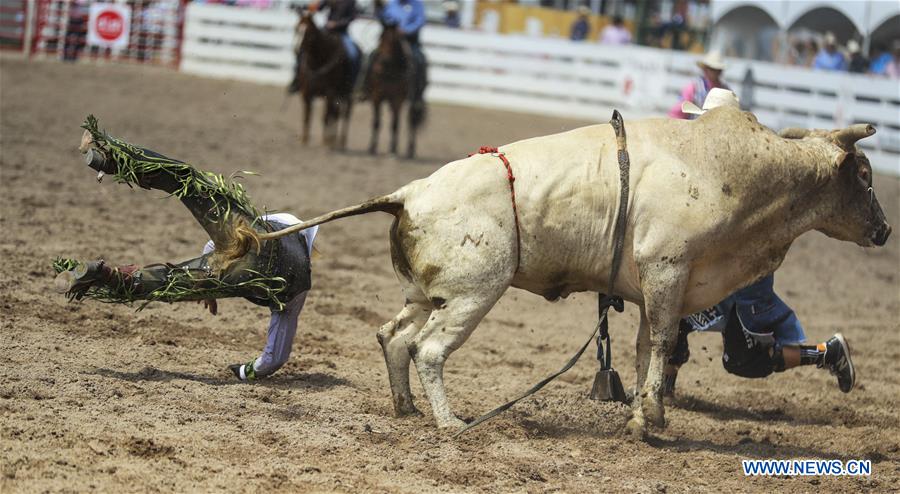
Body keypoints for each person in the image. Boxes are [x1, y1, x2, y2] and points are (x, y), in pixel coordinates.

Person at [54, 116, 318, 382]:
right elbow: (275, 358)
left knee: (187, 181)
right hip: (250, 275)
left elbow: (217, 246)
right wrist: (243, 371)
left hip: (243, 240)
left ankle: (111, 159)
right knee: (166, 283)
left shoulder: (259, 224)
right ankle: (104, 274)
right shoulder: (298, 288)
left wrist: (211, 275)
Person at [663, 89, 856, 397]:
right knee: (672, 311)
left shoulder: (738, 169)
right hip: (725, 267)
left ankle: (828, 352)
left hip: (743, 275)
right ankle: (663, 387)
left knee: (743, 360)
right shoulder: (716, 162)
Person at [287, 0, 360, 94]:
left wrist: (337, 23)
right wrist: (304, 7)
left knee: (353, 54)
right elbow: (319, 7)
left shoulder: (350, 1)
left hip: (342, 33)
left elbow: (351, 17)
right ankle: (297, 79)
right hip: (327, 31)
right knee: (303, 50)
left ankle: (350, 85)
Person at [668, 50, 729, 120]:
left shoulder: (725, 90)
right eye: (712, 69)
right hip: (694, 127)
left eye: (718, 70)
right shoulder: (694, 87)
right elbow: (680, 109)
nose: (716, 72)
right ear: (705, 69)